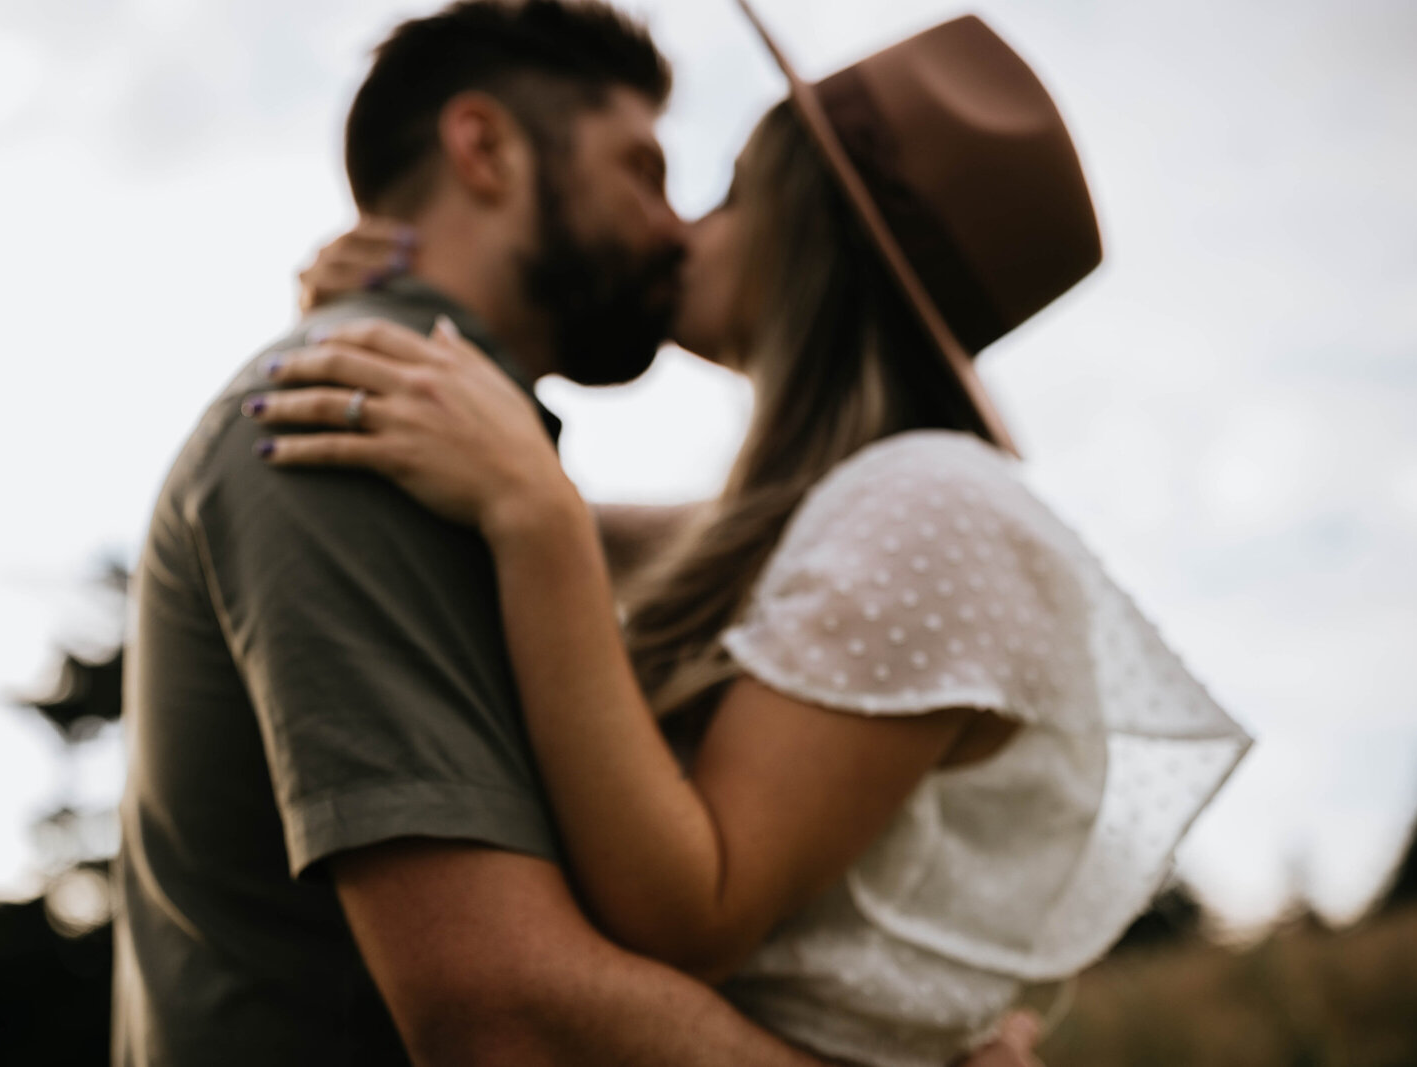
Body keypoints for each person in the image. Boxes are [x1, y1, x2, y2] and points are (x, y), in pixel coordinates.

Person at [248, 9, 1253, 1066]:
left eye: (727, 193)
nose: (679, 227)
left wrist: (534, 515)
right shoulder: (850, 516)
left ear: (809, 228)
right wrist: (390, 341)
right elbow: (617, 540)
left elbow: (695, 909)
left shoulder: (933, 508)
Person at [115, 0, 1043, 1064]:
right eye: (642, 169)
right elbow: (509, 1011)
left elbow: (813, 563)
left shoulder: (482, 463)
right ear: (486, 148)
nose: (674, 225)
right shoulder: (360, 413)